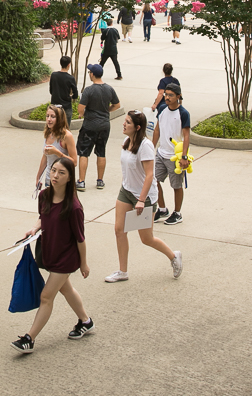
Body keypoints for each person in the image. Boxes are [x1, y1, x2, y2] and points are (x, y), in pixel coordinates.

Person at [10, 158, 93, 353]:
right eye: (53, 170)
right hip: (50, 253)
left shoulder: (74, 208)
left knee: (46, 296)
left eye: (61, 172)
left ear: (69, 177)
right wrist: (33, 229)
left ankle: (29, 339)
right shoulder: (45, 195)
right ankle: (86, 321)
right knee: (67, 290)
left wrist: (84, 264)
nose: (55, 176)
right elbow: (43, 217)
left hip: (66, 258)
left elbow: (80, 239)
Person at [105, 111, 182, 283]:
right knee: (119, 230)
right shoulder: (126, 141)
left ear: (137, 127)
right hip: (126, 191)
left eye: (128, 122)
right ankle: (122, 271)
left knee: (146, 238)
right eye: (124, 121)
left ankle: (173, 256)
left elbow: (149, 176)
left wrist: (141, 200)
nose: (123, 124)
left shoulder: (145, 146)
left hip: (144, 196)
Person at [75, 64, 120, 191]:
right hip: (104, 125)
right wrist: (107, 110)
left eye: (90, 72)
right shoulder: (109, 89)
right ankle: (100, 180)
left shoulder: (89, 90)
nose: (89, 74)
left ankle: (81, 181)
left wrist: (84, 114)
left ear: (92, 74)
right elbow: (117, 105)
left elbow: (80, 109)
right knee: (101, 151)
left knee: (84, 152)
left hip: (90, 125)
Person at [153, 84, 191, 225]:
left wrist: (184, 156)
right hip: (161, 153)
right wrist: (152, 147)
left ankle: (177, 213)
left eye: (170, 95)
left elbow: (186, 136)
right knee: (154, 181)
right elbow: (157, 129)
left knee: (176, 186)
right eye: (166, 94)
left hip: (174, 157)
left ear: (178, 96)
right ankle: (162, 209)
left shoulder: (183, 113)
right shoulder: (162, 109)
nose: (167, 97)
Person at [36, 104, 79, 194]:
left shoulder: (67, 136)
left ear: (59, 119)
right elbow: (45, 157)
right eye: (47, 116)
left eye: (53, 117)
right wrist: (38, 177)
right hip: (49, 180)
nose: (49, 119)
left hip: (61, 183)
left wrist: (57, 153)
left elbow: (74, 162)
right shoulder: (48, 133)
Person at [48, 56, 79, 126]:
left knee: (54, 128)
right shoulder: (70, 78)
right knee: (66, 129)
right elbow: (75, 94)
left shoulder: (54, 75)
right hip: (66, 106)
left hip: (54, 106)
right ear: (69, 65)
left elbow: (51, 91)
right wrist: (71, 97)